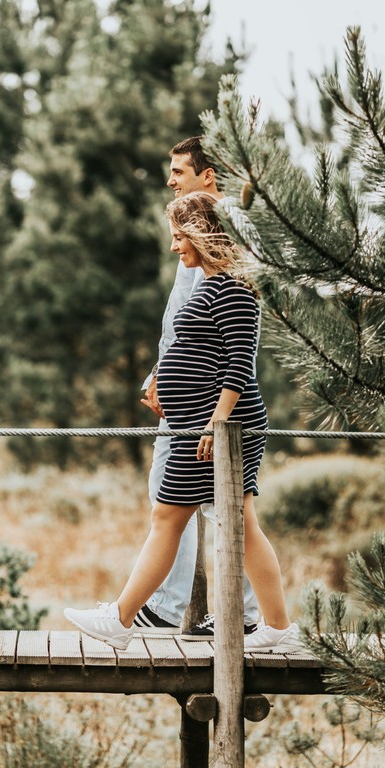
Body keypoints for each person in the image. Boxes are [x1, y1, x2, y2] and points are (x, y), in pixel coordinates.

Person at [65, 191, 301, 653]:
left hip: (217, 432)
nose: (175, 248)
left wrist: (217, 423)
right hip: (200, 428)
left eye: (179, 237)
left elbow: (239, 364)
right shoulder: (215, 283)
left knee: (180, 518)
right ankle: (275, 627)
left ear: (202, 234)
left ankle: (122, 618)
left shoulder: (234, 287)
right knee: (221, 521)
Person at [136, 136, 259, 640]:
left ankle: (174, 608)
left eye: (180, 170)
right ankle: (239, 613)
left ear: (208, 175)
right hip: (189, 398)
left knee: (203, 507)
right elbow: (181, 323)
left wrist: (174, 382)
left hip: (203, 408)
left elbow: (215, 332)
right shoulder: (198, 228)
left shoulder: (212, 234)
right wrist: (160, 373)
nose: (171, 178)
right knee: (212, 507)